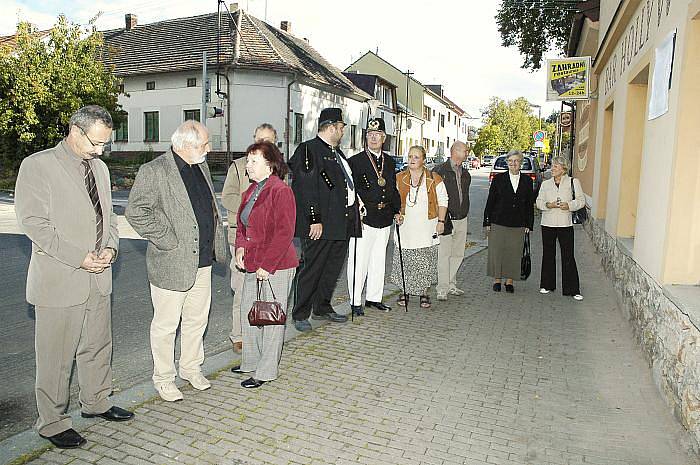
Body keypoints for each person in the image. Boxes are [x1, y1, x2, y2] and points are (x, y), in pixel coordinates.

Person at [15, 105, 134, 449]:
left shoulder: (99, 168)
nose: (100, 151)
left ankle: (97, 402)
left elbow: (109, 217)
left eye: (104, 145)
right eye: (95, 143)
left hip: (98, 275)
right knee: (55, 357)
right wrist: (78, 258)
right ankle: (52, 422)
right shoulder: (38, 166)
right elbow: (34, 224)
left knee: (97, 347)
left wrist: (111, 250)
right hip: (61, 277)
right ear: (76, 131)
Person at [125, 120, 227, 402]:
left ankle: (191, 368)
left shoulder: (201, 166)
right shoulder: (154, 171)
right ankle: (164, 378)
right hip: (171, 263)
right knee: (166, 326)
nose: (209, 148)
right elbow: (136, 212)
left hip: (203, 261)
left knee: (197, 321)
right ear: (185, 145)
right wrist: (167, 239)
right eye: (204, 144)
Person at [230, 142, 298, 388]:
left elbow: (284, 232)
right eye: (247, 160)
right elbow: (242, 225)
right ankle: (250, 362)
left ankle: (266, 371)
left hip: (277, 265)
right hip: (253, 262)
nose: (247, 165)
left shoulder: (281, 191)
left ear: (270, 165)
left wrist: (267, 266)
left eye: (253, 161)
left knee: (271, 320)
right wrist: (240, 247)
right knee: (249, 313)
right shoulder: (252, 190)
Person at [289, 108, 360, 332]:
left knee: (331, 268)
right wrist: (314, 219)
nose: (342, 132)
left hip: (341, 222)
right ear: (331, 127)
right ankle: (301, 313)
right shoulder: (308, 150)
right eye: (340, 128)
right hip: (321, 224)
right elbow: (306, 188)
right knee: (312, 268)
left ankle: (322, 307)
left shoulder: (336, 153)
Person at [221, 123, 278, 355]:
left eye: (268, 140)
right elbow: (228, 197)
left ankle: (260, 331)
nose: (263, 143)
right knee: (242, 289)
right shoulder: (239, 166)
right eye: (259, 139)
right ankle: (240, 335)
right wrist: (252, 212)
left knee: (265, 289)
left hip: (270, 241)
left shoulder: (279, 169)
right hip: (242, 238)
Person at [346, 117, 401, 316]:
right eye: (369, 134)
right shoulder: (355, 161)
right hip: (364, 218)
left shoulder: (390, 162)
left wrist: (397, 210)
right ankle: (355, 301)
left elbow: (393, 188)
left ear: (384, 137)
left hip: (384, 216)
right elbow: (350, 191)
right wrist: (355, 211)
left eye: (377, 135)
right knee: (359, 260)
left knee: (379, 260)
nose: (373, 138)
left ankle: (374, 298)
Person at [391, 145, 448, 309]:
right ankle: (404, 292)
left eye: (416, 157)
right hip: (406, 227)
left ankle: (424, 293)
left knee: (425, 262)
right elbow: (393, 200)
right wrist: (396, 213)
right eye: (410, 157)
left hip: (427, 227)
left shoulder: (434, 178)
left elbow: (443, 200)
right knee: (406, 260)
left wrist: (441, 221)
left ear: (423, 160)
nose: (412, 160)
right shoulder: (399, 177)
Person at [483, 150, 534, 293]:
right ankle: (497, 280)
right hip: (498, 220)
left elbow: (529, 204)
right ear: (507, 163)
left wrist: (528, 224)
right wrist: (487, 222)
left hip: (518, 223)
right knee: (497, 251)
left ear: (521, 163)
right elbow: (490, 202)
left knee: (514, 252)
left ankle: (509, 281)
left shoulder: (527, 181)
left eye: (516, 161)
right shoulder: (498, 179)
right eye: (510, 161)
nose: (513, 164)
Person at [535, 156, 584, 300]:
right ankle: (547, 285)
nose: (552, 168)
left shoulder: (573, 182)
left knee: (568, 255)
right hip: (548, 223)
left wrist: (569, 205)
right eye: (552, 166)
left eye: (556, 166)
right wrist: (547, 205)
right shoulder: (546, 184)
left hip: (565, 223)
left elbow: (581, 201)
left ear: (563, 168)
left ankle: (572, 289)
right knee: (548, 254)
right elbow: (538, 202)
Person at [432, 141, 471, 301]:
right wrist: (440, 219)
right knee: (444, 255)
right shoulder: (439, 171)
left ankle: (451, 283)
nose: (467, 153)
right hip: (446, 219)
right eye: (464, 150)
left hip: (462, 218)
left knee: (458, 254)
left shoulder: (466, 173)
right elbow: (433, 197)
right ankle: (442, 288)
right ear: (454, 151)